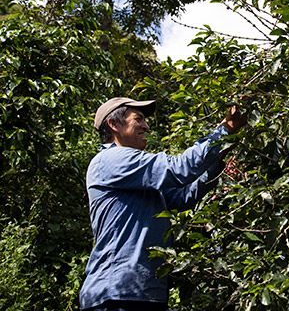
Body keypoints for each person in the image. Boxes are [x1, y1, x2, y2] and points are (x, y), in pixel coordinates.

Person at [79, 97, 247, 311]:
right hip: (117, 293)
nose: (146, 126)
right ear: (114, 124)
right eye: (138, 119)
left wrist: (216, 164)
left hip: (144, 293)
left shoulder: (136, 175)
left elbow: (182, 197)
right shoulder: (111, 160)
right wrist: (225, 129)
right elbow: (179, 168)